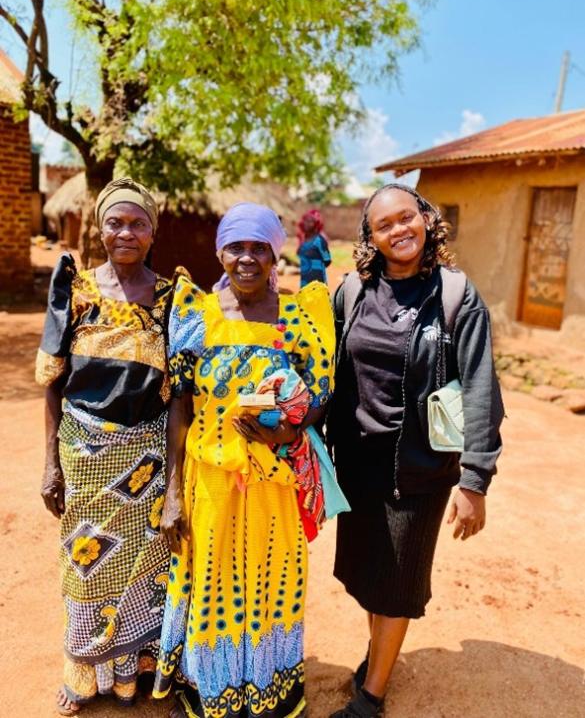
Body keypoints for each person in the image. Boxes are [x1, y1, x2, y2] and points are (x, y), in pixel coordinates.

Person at [327, 184, 504, 717]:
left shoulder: (455, 295)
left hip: (419, 470)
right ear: (371, 237)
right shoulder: (352, 292)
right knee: (368, 576)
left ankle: (371, 698)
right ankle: (377, 659)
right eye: (384, 225)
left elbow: (480, 387)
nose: (399, 230)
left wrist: (475, 479)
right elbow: (329, 369)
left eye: (407, 217)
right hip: (357, 465)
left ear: (426, 219)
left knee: (397, 585)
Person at [152, 202, 335, 718]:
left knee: (273, 581)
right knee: (212, 584)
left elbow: (321, 394)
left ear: (276, 254)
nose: (247, 258)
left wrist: (288, 431)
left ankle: (269, 691)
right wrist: (172, 495)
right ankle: (213, 689)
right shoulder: (196, 313)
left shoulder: (302, 314)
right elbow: (180, 405)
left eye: (260, 248)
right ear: (220, 253)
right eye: (236, 247)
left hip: (276, 479)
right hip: (209, 478)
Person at [36, 178, 172, 715]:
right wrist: (50, 464)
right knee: (84, 566)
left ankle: (130, 676)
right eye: (115, 222)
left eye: (138, 223)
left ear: (152, 232)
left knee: (143, 568)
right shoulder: (76, 291)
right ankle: (84, 675)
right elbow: (52, 380)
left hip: (146, 464)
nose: (126, 233)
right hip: (84, 455)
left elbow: (181, 396)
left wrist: (176, 483)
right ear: (99, 228)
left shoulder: (173, 299)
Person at [297, 208, 332, 287]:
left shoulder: (319, 240)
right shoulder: (303, 239)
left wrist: (316, 268)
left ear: (316, 223)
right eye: (306, 221)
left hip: (317, 281)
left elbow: (327, 260)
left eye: (311, 221)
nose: (307, 224)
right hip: (304, 280)